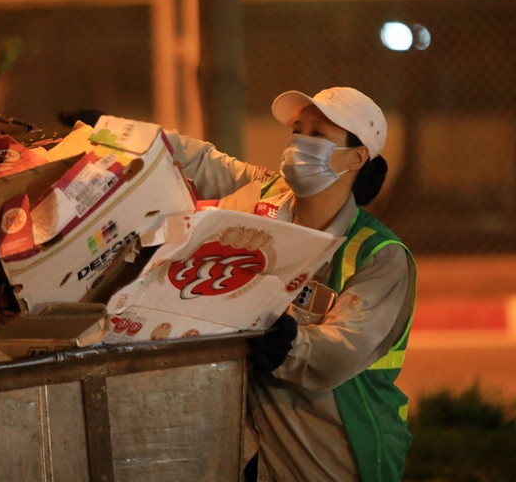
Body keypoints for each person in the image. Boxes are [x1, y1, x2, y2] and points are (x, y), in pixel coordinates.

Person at [166, 87, 417, 482]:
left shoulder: (379, 255)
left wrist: (288, 344)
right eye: (297, 130)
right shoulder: (267, 200)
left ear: (357, 157)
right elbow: (201, 162)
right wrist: (120, 137)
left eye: (318, 134)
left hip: (336, 452)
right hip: (259, 448)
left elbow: (341, 350)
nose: (299, 143)